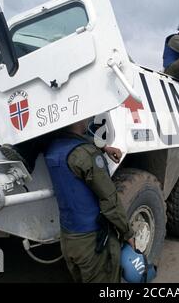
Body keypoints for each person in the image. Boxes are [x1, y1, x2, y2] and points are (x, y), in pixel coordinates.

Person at [44, 119, 135, 283]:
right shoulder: (86, 154)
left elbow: (74, 142)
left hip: (68, 239)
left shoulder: (52, 146)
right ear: (80, 118)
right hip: (92, 242)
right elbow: (109, 200)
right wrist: (127, 233)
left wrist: (103, 147)